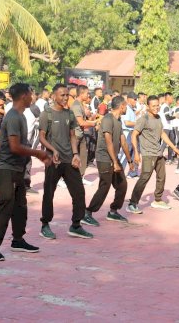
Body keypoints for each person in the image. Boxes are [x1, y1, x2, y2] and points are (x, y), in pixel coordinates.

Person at [0, 83, 52, 261]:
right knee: (6, 205)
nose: (33, 97)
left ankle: (18, 239)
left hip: (16, 168)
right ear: (24, 96)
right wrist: (38, 153)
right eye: (31, 94)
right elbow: (15, 147)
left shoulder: (21, 116)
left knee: (20, 206)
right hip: (6, 168)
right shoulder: (14, 116)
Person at [37, 84, 92, 240]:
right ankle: (45, 225)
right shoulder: (46, 114)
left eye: (67, 95)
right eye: (62, 95)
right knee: (49, 193)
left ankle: (76, 225)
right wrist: (53, 150)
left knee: (79, 192)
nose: (65, 97)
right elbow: (42, 137)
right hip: (53, 161)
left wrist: (75, 154)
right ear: (54, 96)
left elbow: (73, 136)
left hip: (69, 159)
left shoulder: (69, 114)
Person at [127, 96, 179, 214]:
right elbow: (134, 135)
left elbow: (162, 134)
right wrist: (136, 152)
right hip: (148, 154)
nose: (156, 108)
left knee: (162, 176)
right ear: (148, 106)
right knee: (144, 178)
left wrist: (174, 148)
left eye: (157, 105)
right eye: (153, 106)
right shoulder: (143, 119)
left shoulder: (158, 117)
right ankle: (132, 203)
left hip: (158, 153)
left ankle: (157, 199)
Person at [83, 95, 130, 226]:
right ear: (121, 106)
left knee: (122, 184)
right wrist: (114, 162)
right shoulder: (108, 119)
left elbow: (123, 142)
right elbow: (108, 141)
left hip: (113, 158)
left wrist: (130, 160)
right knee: (105, 185)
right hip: (104, 158)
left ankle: (113, 211)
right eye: (126, 106)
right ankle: (87, 213)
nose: (126, 108)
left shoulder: (119, 121)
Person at [71, 86, 97, 183]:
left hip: (80, 135)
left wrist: (92, 120)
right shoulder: (77, 105)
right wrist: (94, 123)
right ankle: (65, 178)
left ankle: (80, 177)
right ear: (81, 94)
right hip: (76, 135)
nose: (88, 95)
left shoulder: (81, 105)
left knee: (83, 156)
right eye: (87, 93)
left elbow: (85, 120)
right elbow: (81, 122)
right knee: (73, 157)